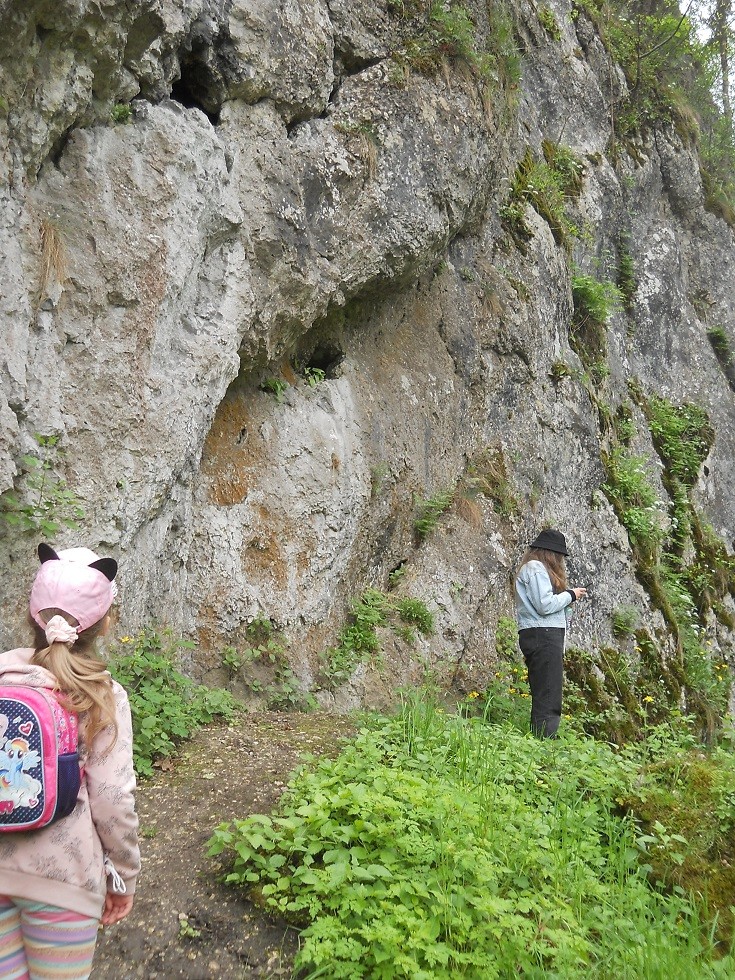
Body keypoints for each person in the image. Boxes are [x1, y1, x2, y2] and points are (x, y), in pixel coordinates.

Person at [0, 544, 140, 979]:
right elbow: (113, 797)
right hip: (64, 880)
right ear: (103, 624)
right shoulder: (101, 694)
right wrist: (123, 876)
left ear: (31, 616)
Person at [514, 529, 587, 737]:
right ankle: (544, 740)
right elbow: (544, 606)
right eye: (560, 556)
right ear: (551, 553)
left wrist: (568, 600)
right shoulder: (536, 568)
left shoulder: (532, 568)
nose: (561, 561)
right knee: (549, 692)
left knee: (545, 690)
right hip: (543, 634)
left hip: (540, 633)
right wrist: (570, 595)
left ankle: (541, 738)